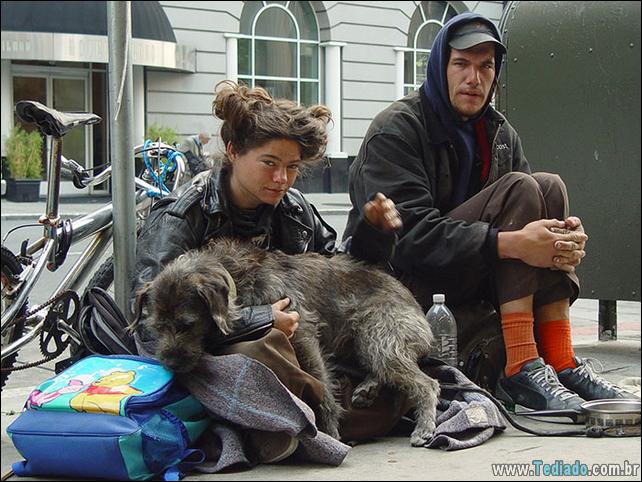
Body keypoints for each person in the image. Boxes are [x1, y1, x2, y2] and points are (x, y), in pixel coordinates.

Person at [344, 12, 638, 412]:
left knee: (548, 187)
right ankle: (521, 366)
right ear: (440, 67)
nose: (474, 78)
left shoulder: (499, 132)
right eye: (462, 64)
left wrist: (561, 242)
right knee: (520, 187)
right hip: (402, 289)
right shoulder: (396, 129)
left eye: (486, 67)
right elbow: (408, 239)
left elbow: (533, 208)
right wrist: (513, 244)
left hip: (469, 277)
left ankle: (561, 359)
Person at [131, 80, 403, 459]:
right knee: (264, 349)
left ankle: (280, 423)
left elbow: (337, 274)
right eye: (270, 164)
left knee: (379, 384)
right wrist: (261, 320)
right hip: (215, 351)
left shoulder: (294, 209)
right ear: (233, 151)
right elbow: (152, 316)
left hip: (298, 344)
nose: (282, 179)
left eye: (292, 168)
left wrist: (373, 233)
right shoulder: (182, 215)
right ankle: (282, 424)